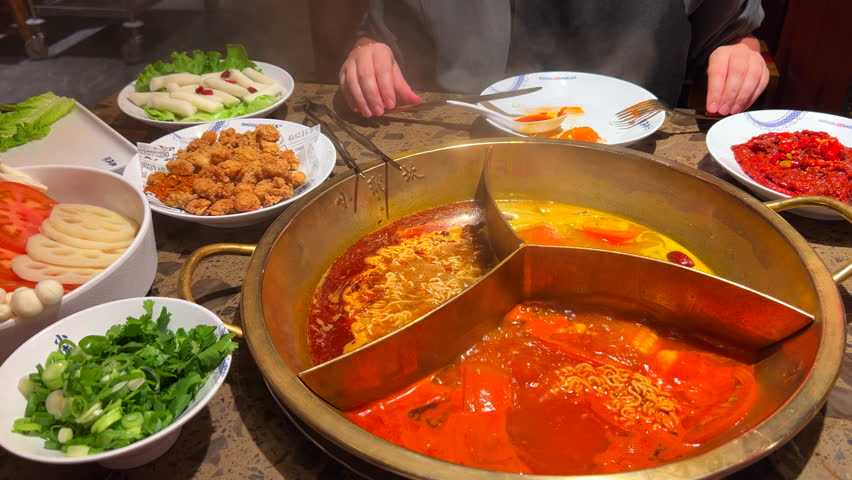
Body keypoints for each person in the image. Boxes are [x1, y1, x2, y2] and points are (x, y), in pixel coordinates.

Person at [339, 0, 769, 118]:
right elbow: (381, 32)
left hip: (633, 145)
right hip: (469, 136)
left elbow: (732, 31)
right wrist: (368, 51)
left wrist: (741, 52)